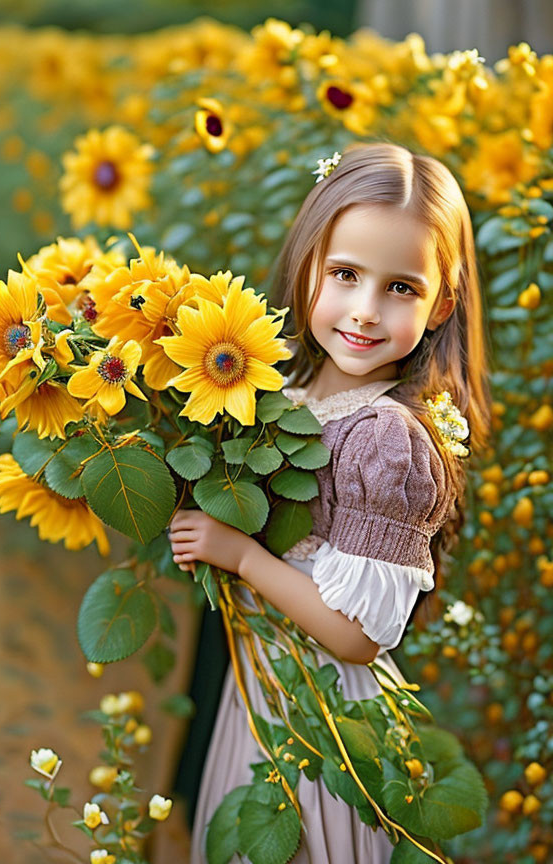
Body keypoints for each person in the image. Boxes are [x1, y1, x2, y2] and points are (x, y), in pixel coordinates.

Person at [169, 140, 492, 863]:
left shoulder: (384, 438)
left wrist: (241, 555)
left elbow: (356, 637)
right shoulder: (284, 395)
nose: (364, 311)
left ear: (442, 303)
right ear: (309, 259)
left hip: (327, 719)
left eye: (400, 288)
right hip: (264, 695)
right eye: (345, 274)